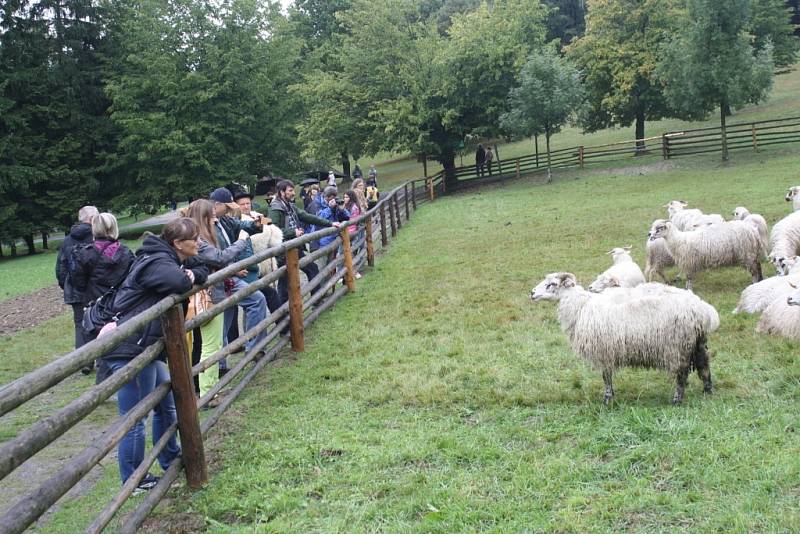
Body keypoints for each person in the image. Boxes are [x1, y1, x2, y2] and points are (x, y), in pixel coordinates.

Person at [103, 217, 208, 491]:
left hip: (143, 346)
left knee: (169, 398)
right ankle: (135, 480)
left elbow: (202, 267)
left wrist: (194, 273)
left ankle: (170, 456)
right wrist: (188, 277)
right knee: (135, 416)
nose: (199, 242)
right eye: (193, 239)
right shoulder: (157, 263)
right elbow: (178, 282)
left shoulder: (167, 256)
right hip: (130, 349)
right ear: (177, 244)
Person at [186, 199, 250, 398]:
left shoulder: (199, 238)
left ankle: (207, 387)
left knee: (206, 345)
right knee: (210, 347)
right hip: (209, 297)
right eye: (211, 216)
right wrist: (242, 240)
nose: (215, 219)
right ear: (203, 218)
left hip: (214, 293)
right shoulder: (199, 241)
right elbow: (220, 257)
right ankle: (208, 391)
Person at [209, 188, 268, 371]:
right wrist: (233, 270)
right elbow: (215, 257)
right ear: (216, 205)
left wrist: (256, 225)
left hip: (229, 277)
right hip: (219, 279)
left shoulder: (224, 220)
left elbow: (241, 226)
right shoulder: (206, 226)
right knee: (222, 322)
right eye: (227, 207)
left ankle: (254, 348)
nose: (229, 210)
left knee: (256, 300)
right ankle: (220, 365)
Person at [71, 213, 135, 381]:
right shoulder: (125, 252)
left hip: (94, 304)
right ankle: (107, 380)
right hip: (119, 301)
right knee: (117, 341)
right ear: (114, 228)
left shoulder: (84, 253)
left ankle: (103, 381)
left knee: (98, 341)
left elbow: (77, 281)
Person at [268, 179, 341, 302]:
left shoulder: (290, 206)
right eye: (290, 190)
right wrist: (293, 232)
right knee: (285, 281)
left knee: (311, 268)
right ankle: (284, 315)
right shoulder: (275, 209)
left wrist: (330, 223)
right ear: (281, 192)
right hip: (283, 251)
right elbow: (274, 230)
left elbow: (307, 217)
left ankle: (317, 299)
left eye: (293, 190)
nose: (293, 193)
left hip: (295, 247)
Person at [56, 205, 99, 352]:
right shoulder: (96, 236)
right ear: (92, 218)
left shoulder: (67, 240)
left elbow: (60, 267)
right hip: (95, 287)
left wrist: (67, 285)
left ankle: (83, 361)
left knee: (80, 323)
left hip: (74, 289)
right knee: (100, 318)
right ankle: (101, 357)